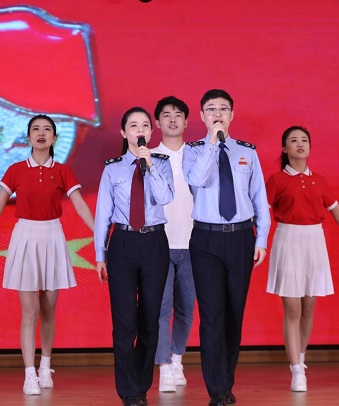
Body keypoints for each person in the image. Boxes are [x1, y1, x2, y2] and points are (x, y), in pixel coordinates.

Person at [0, 114, 95, 395]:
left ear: (54, 138)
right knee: (30, 312)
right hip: (25, 236)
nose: (41, 133)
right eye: (35, 129)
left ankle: (45, 366)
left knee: (48, 310)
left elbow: (79, 204)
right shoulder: (15, 170)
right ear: (28, 137)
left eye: (47, 129)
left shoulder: (62, 171)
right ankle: (29, 373)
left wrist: (99, 235)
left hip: (53, 236)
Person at [265, 126, 339, 392]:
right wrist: (256, 244)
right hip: (288, 240)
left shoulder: (320, 180)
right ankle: (296, 371)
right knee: (293, 310)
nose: (300, 144)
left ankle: (301, 360)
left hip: (315, 242)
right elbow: (262, 215)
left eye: (304, 140)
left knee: (308, 308)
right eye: (293, 140)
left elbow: (338, 213)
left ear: (310, 147)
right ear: (285, 148)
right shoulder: (277, 180)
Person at [183, 89, 271, 406]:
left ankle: (227, 382)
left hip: (240, 237)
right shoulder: (193, 151)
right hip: (206, 239)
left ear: (232, 115)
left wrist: (261, 239)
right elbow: (197, 179)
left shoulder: (247, 152)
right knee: (212, 315)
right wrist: (212, 142)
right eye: (211, 109)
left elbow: (259, 197)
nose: (218, 114)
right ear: (202, 116)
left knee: (234, 313)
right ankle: (217, 389)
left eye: (223, 109)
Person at [94, 107, 175, 406]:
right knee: (124, 321)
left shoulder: (161, 163)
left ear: (151, 132)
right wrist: (100, 254)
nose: (139, 130)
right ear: (123, 132)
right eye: (133, 125)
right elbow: (103, 214)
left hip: (155, 242)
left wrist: (149, 165)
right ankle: (128, 391)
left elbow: (165, 197)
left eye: (144, 125)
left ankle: (142, 384)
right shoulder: (112, 169)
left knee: (150, 319)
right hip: (123, 243)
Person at [151, 96, 196, 393]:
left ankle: (177, 358)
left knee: (187, 307)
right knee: (161, 308)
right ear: (157, 122)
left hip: (193, 243)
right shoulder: (149, 156)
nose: (172, 119)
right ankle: (164, 366)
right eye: (166, 115)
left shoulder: (198, 154)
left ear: (187, 121)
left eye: (178, 114)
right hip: (159, 243)